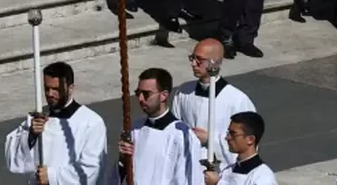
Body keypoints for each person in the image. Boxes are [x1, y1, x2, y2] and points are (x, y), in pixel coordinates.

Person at [5, 61, 109, 185]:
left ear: (70, 88)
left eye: (56, 89)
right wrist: (30, 136)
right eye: (46, 88)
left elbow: (92, 170)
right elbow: (14, 160)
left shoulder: (91, 122)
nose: (50, 94)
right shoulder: (37, 118)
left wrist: (51, 177)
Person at [172, 38, 257, 169]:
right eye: (192, 58)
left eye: (199, 59)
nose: (193, 63)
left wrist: (210, 140)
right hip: (188, 165)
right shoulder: (184, 92)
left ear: (215, 62)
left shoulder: (237, 100)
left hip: (221, 170)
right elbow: (175, 128)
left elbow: (246, 143)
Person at [116, 68, 202, 185]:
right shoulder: (134, 129)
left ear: (163, 95)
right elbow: (121, 175)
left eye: (146, 94)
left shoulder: (181, 135)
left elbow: (189, 179)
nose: (140, 99)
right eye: (138, 93)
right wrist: (122, 159)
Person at [206, 112, 277, 185]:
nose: (227, 138)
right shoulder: (227, 171)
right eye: (228, 133)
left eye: (233, 134)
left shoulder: (263, 177)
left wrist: (218, 183)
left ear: (250, 139)